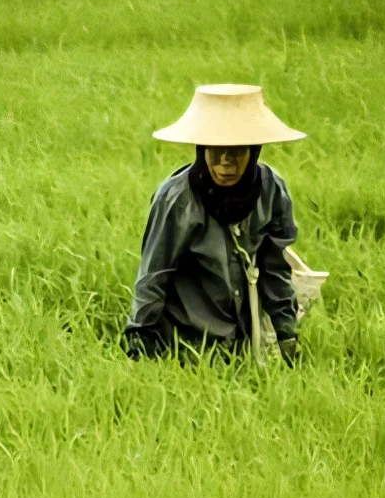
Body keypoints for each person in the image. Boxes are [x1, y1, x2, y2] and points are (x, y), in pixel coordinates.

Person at [122, 84, 305, 366]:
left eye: (236, 152)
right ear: (201, 149)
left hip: (243, 339)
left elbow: (275, 269)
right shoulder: (177, 199)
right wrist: (138, 341)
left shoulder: (271, 190)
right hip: (187, 341)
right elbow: (153, 276)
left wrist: (287, 333)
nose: (224, 163)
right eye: (215, 151)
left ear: (254, 150)